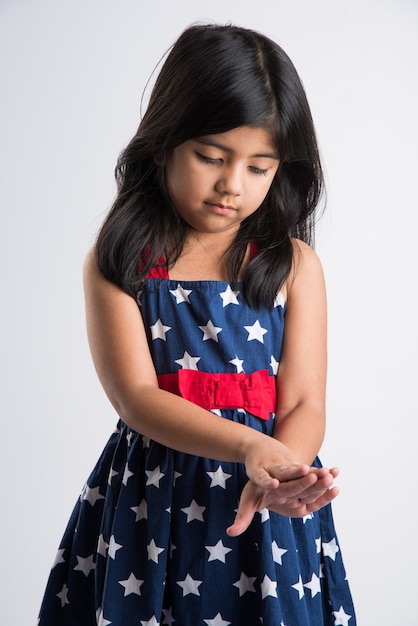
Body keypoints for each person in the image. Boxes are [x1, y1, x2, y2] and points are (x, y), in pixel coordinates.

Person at [38, 23, 356, 626]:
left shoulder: (294, 265)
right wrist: (248, 446)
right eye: (212, 157)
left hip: (268, 506)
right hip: (152, 504)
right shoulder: (119, 262)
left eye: (259, 167)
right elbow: (135, 398)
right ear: (162, 144)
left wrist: (285, 471)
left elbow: (307, 401)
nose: (232, 185)